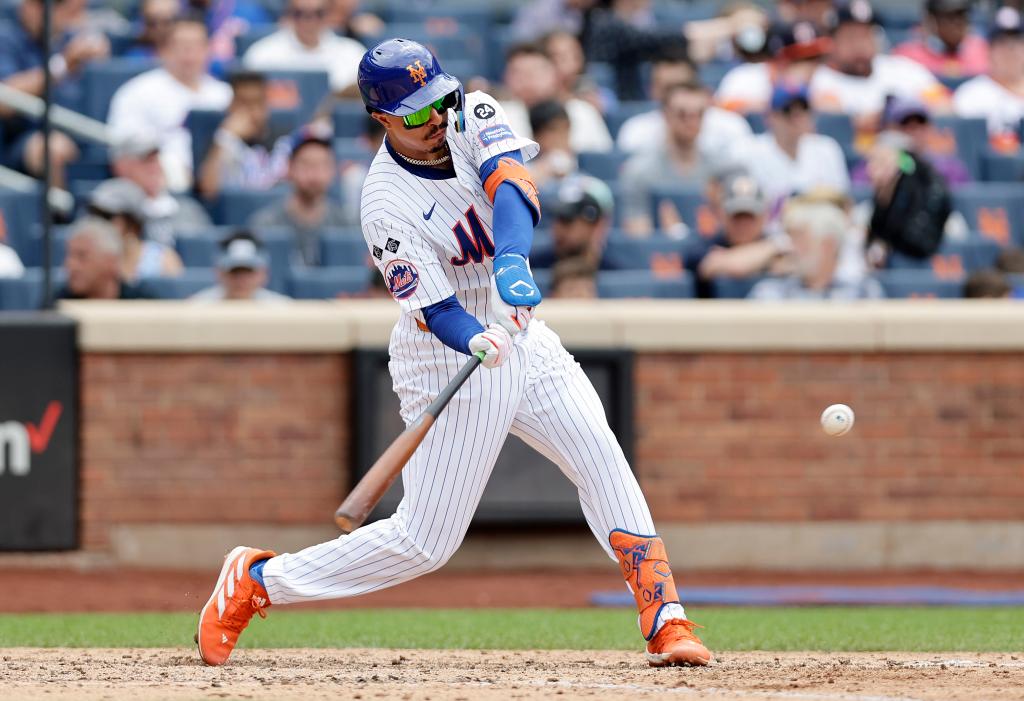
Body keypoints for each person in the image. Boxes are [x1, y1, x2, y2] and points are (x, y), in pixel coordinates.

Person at [195, 37, 712, 670]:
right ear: (382, 120)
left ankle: (665, 617)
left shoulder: (473, 113)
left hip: (520, 329)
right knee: (424, 542)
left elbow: (511, 184)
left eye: (439, 101)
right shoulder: (384, 201)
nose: (435, 118)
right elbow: (434, 309)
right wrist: (472, 335)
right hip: (447, 353)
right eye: (416, 113)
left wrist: (514, 261)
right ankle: (258, 579)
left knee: (599, 453)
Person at [108, 15, 232, 193]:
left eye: (196, 46)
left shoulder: (224, 95)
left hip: (218, 185)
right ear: (164, 49)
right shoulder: (137, 92)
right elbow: (124, 148)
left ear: (208, 50)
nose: (189, 54)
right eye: (181, 46)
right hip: (158, 187)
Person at [0, 0, 109, 189]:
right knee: (53, 148)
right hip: (24, 139)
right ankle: (62, 218)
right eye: (37, 4)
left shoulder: (68, 38)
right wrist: (63, 65)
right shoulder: (7, 38)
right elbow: (5, 98)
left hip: (83, 133)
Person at [810, 0, 949, 123]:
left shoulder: (901, 68)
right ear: (832, 42)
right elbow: (839, 124)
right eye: (851, 37)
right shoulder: (823, 79)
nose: (860, 45)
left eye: (866, 35)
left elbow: (945, 106)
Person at [618, 49, 753, 159]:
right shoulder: (636, 131)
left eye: (683, 86)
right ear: (652, 90)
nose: (676, 96)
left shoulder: (731, 127)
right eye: (667, 89)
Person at [620, 81, 714, 237]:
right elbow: (638, 237)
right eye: (682, 114)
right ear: (665, 114)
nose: (692, 122)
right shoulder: (639, 170)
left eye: (699, 114)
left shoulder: (720, 168)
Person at [249, 126, 348, 265]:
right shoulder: (265, 224)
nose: (315, 174)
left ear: (333, 170)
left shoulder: (346, 224)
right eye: (306, 164)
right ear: (290, 167)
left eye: (323, 165)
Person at [749, 200, 884, 300]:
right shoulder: (770, 293)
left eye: (800, 240)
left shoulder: (864, 293)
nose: (792, 248)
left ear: (827, 245)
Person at [683, 173, 789, 298]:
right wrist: (774, 248)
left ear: (764, 216)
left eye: (750, 216)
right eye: (737, 216)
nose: (743, 224)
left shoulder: (776, 245)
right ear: (722, 215)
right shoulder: (702, 246)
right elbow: (723, 266)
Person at [746, 84, 850, 208]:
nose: (797, 118)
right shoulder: (749, 151)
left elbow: (843, 200)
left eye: (803, 110)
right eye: (788, 111)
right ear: (771, 117)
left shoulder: (826, 148)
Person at [501, 43, 613, 153]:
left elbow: (603, 161)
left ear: (554, 74)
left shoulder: (583, 111)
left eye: (535, 72)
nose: (526, 80)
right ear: (506, 77)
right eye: (518, 73)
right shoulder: (497, 116)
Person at [197, 71, 293, 199]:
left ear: (267, 105)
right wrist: (227, 137)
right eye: (244, 103)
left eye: (257, 102)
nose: (252, 111)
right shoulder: (219, 141)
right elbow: (208, 191)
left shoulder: (285, 140)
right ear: (231, 106)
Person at [109, 130, 213, 245]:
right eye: (146, 161)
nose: (154, 167)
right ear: (121, 166)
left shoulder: (188, 209)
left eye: (156, 160)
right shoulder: (108, 205)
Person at [242, 0, 366, 96]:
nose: (309, 21)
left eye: (318, 13)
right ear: (288, 13)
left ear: (328, 14)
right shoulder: (262, 54)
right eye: (299, 13)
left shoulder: (353, 54)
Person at [864, 132, 952, 266]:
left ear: (901, 161)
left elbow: (916, 238)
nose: (871, 168)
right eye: (872, 160)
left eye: (880, 160)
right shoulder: (884, 192)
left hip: (918, 255)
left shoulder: (919, 184)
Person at [715, 19, 831, 115]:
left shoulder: (823, 78)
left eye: (816, 58)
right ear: (778, 60)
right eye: (801, 60)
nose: (811, 66)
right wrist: (774, 105)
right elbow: (719, 112)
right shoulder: (744, 78)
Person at [852, 96, 971, 188]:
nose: (915, 132)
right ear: (891, 129)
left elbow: (964, 203)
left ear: (930, 128)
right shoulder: (873, 165)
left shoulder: (948, 167)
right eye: (906, 125)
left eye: (920, 124)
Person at [953, 7, 1024, 152]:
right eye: (1002, 43)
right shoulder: (970, 94)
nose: (1010, 50)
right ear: (989, 50)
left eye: (1017, 42)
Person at [87, 178, 184, 281]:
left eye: (107, 217)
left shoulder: (163, 259)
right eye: (95, 216)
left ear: (132, 222)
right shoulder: (88, 260)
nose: (99, 224)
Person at [58, 217, 154, 300]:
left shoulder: (141, 304)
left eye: (81, 256)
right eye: (69, 255)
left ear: (111, 261)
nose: (70, 264)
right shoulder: (58, 305)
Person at [532, 175, 614, 270]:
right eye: (556, 218)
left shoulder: (617, 276)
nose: (557, 228)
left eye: (567, 220)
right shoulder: (531, 269)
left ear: (597, 224)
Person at [893, 0, 989, 81]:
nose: (957, 23)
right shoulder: (906, 56)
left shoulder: (982, 50)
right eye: (949, 17)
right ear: (931, 21)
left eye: (962, 16)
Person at [191, 231, 289, 302]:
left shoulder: (282, 310)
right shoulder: (198, 307)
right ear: (219, 272)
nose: (242, 280)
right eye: (234, 271)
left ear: (263, 273)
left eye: (249, 271)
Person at [526, 100, 578, 187]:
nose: (561, 137)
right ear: (536, 135)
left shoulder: (579, 161)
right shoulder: (524, 165)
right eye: (553, 130)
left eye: (565, 129)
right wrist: (546, 167)